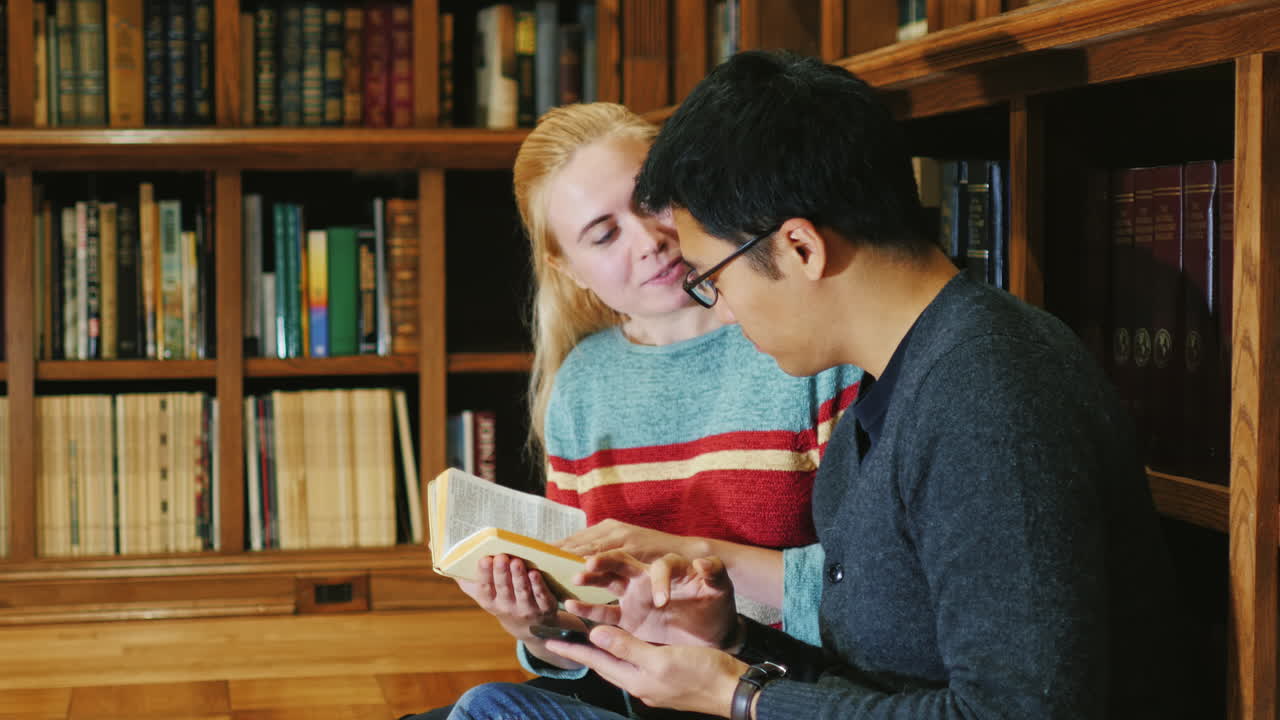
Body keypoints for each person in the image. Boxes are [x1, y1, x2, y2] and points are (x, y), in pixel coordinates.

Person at [444, 51, 1186, 720]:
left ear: (799, 247)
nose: (720, 307)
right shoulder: (912, 380)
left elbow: (1014, 711)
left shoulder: (991, 394)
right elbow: (873, 671)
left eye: (714, 279)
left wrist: (735, 693)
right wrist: (726, 639)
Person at [402, 102, 861, 720]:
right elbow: (589, 633)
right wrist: (537, 625)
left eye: (652, 201)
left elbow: (873, 592)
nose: (649, 241)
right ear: (569, 269)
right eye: (604, 233)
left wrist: (683, 555)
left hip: (782, 691)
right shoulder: (582, 383)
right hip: (637, 698)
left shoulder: (807, 343)